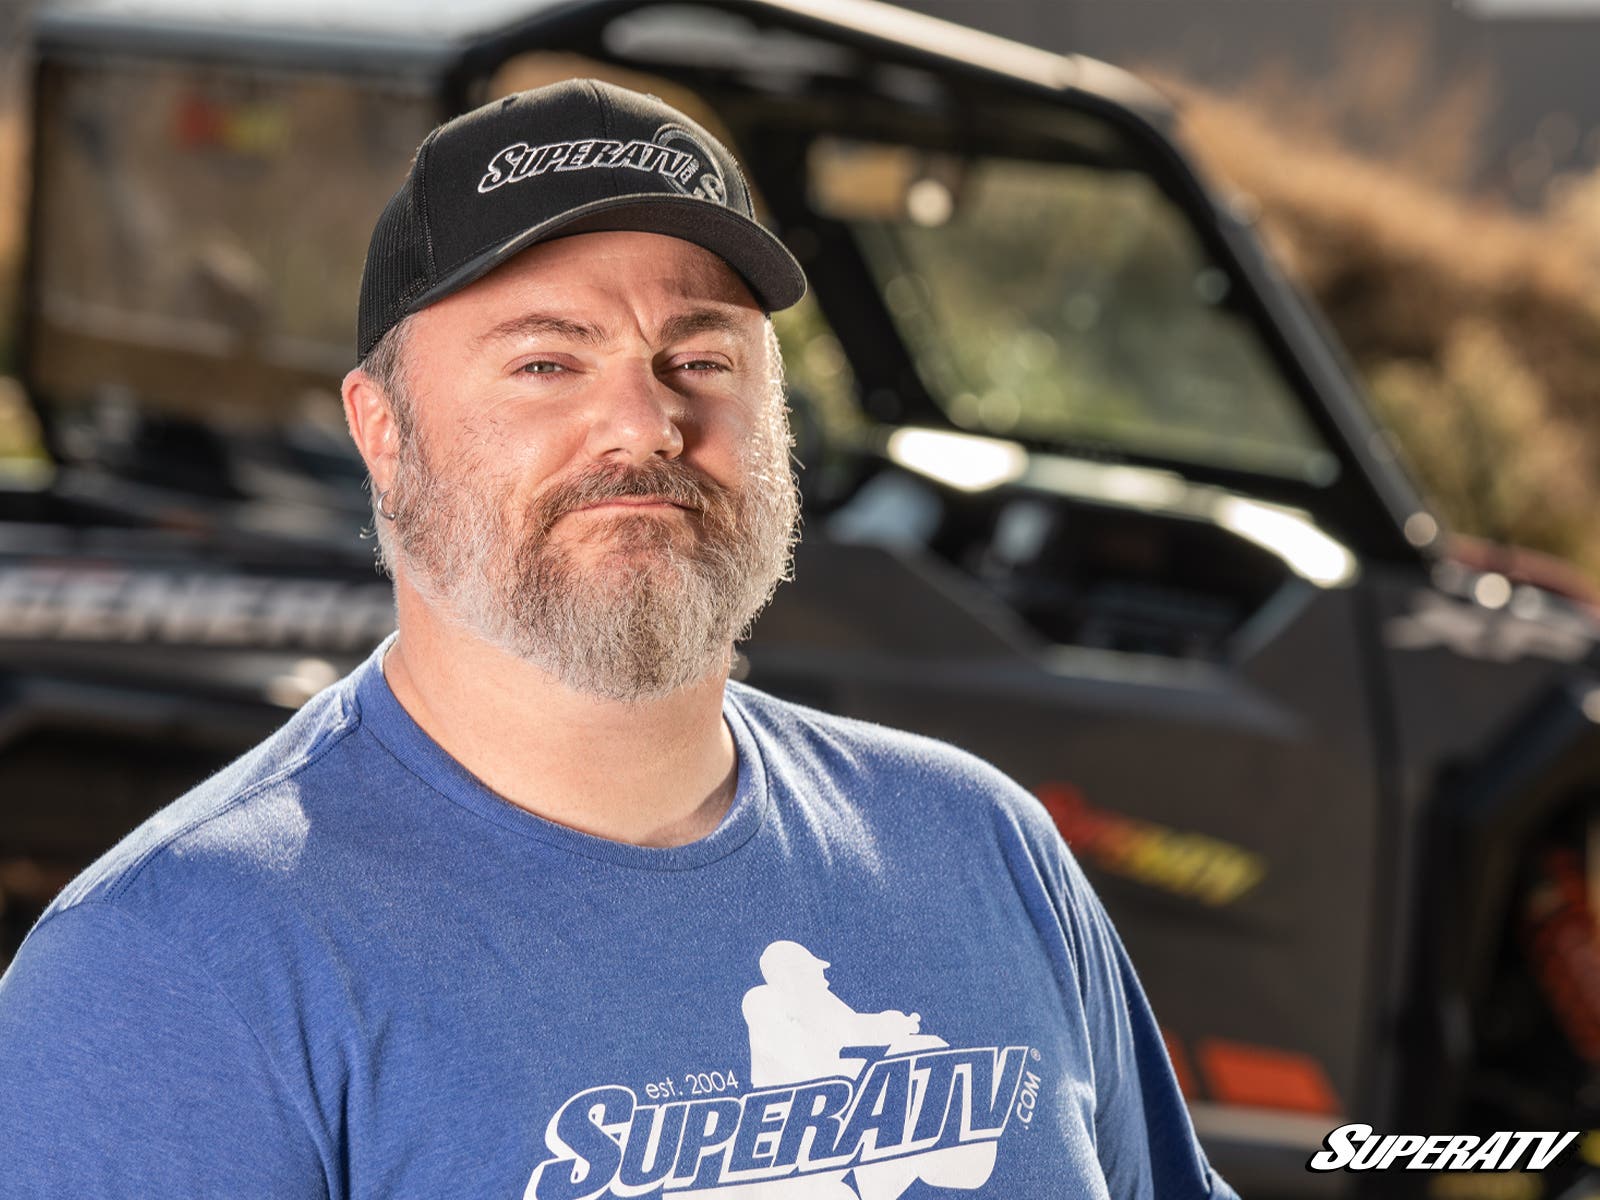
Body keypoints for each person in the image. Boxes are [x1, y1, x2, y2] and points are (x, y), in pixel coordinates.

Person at [0, 79, 1237, 1199]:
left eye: (699, 356)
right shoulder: (172, 970)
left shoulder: (979, 849)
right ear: (382, 432)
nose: (644, 423)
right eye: (547, 362)